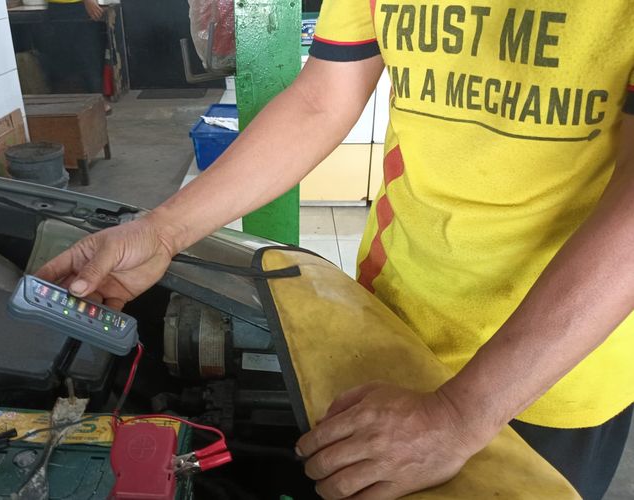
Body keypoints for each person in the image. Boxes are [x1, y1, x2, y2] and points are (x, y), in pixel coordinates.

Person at [37, 1, 634, 498]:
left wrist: (461, 413)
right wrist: (163, 231)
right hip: (393, 321)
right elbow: (323, 97)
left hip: (552, 371)